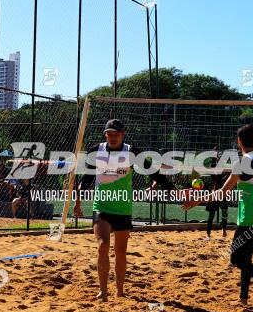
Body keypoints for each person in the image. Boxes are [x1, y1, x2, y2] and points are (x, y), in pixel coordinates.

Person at [73, 119, 177, 301]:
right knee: (103, 246)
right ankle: (103, 291)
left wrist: (172, 190)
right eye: (109, 134)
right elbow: (87, 178)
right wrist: (78, 201)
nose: (112, 137)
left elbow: (153, 173)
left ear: (123, 134)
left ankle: (120, 290)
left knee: (121, 251)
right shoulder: (96, 151)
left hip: (122, 207)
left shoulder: (132, 152)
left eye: (116, 134)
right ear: (105, 135)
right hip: (102, 205)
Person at [183, 125, 253, 306]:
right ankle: (243, 298)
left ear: (239, 141)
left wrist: (197, 201)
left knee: (235, 259)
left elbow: (221, 193)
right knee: (246, 259)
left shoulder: (241, 163)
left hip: (248, 220)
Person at [204, 162, 230, 239]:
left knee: (221, 214)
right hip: (216, 196)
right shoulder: (219, 176)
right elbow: (212, 167)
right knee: (219, 214)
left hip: (218, 196)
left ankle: (213, 233)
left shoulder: (222, 176)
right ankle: (210, 233)